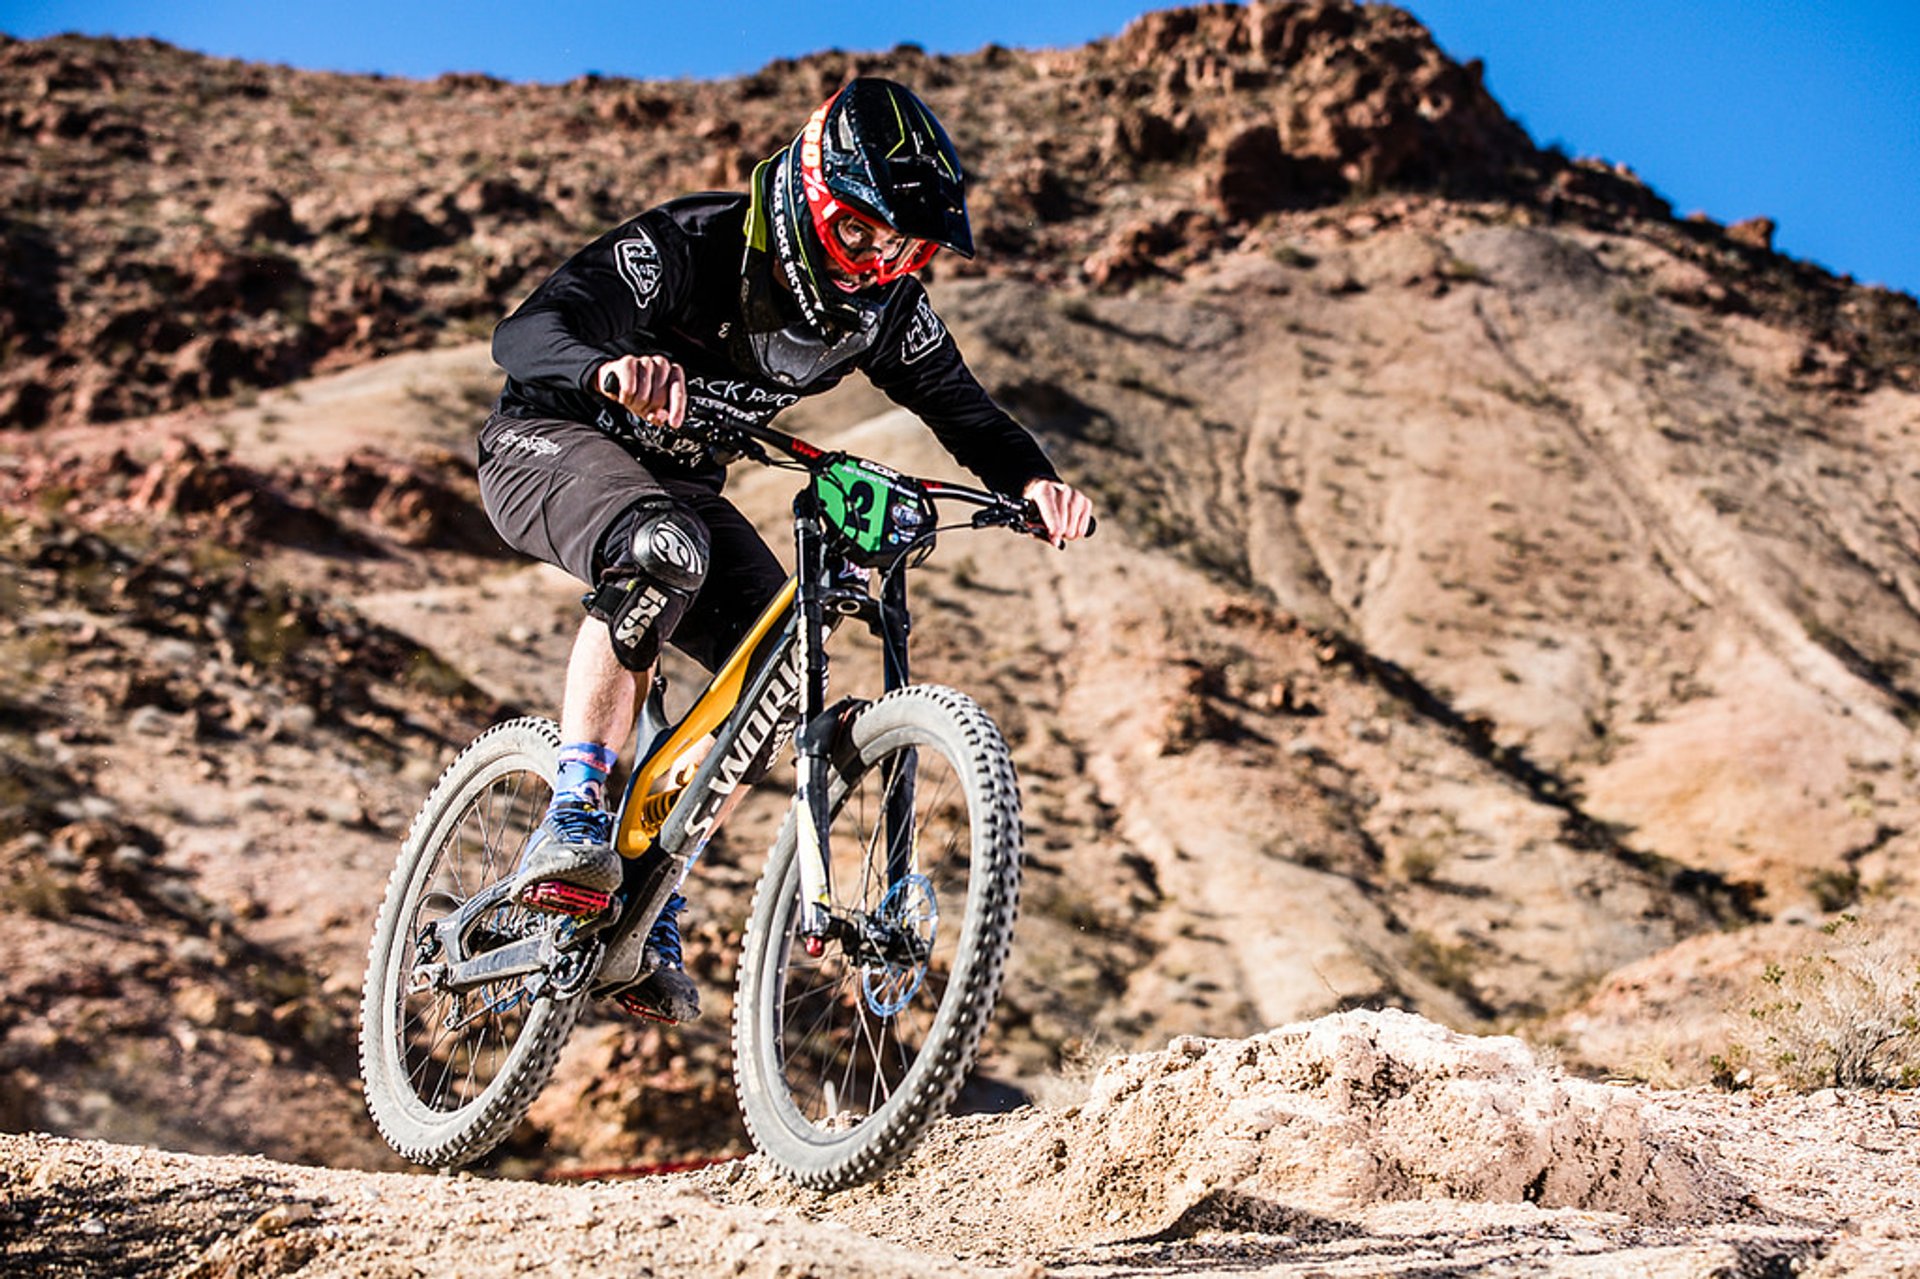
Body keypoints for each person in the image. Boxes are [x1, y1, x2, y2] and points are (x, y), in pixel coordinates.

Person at [475, 77, 1095, 1024]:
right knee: (662, 548)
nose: (874, 265)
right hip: (546, 443)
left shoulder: (883, 310)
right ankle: (573, 813)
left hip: (677, 485)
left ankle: (647, 899)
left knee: (780, 672)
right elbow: (524, 335)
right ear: (809, 192)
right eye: (858, 234)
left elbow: (965, 411)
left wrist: (1034, 481)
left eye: (906, 249)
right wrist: (609, 367)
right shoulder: (691, 244)